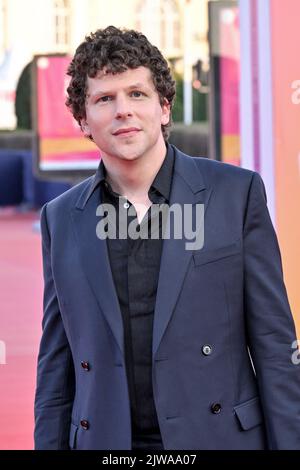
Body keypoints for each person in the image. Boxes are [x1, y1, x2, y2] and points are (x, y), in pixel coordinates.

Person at [34, 26, 300, 450]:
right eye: (105, 99)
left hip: (216, 439)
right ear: (83, 120)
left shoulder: (236, 194)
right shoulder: (61, 218)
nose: (123, 110)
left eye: (137, 94)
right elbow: (56, 363)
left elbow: (274, 345)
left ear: (164, 107)